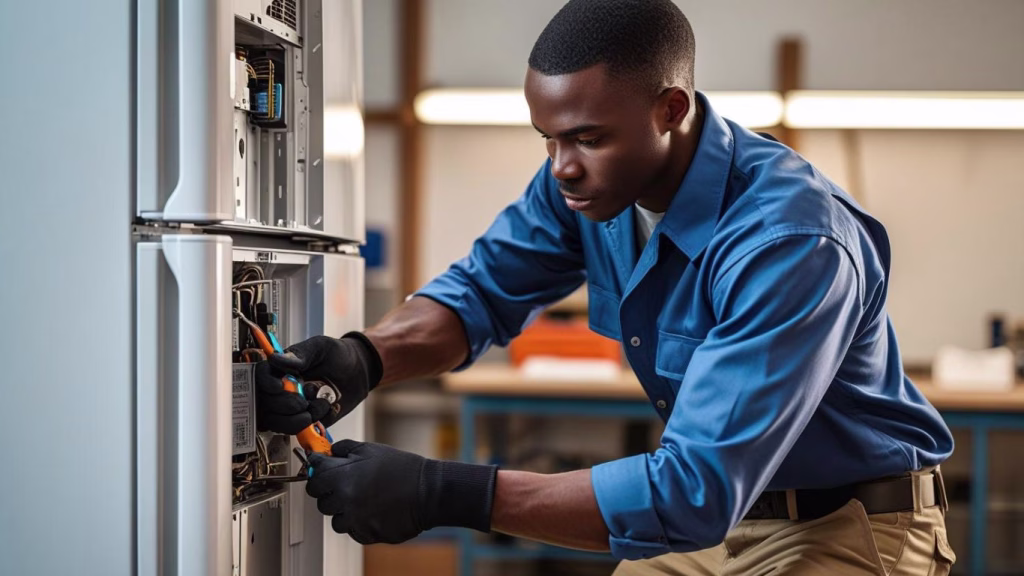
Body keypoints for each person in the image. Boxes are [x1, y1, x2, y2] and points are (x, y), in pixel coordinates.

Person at [255, 0, 957, 573]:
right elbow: (480, 294)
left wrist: (446, 492)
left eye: (587, 137)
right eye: (548, 139)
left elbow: (692, 491)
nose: (562, 167)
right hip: (724, 519)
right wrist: (364, 357)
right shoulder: (585, 186)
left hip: (848, 523)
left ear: (670, 109)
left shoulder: (788, 242)